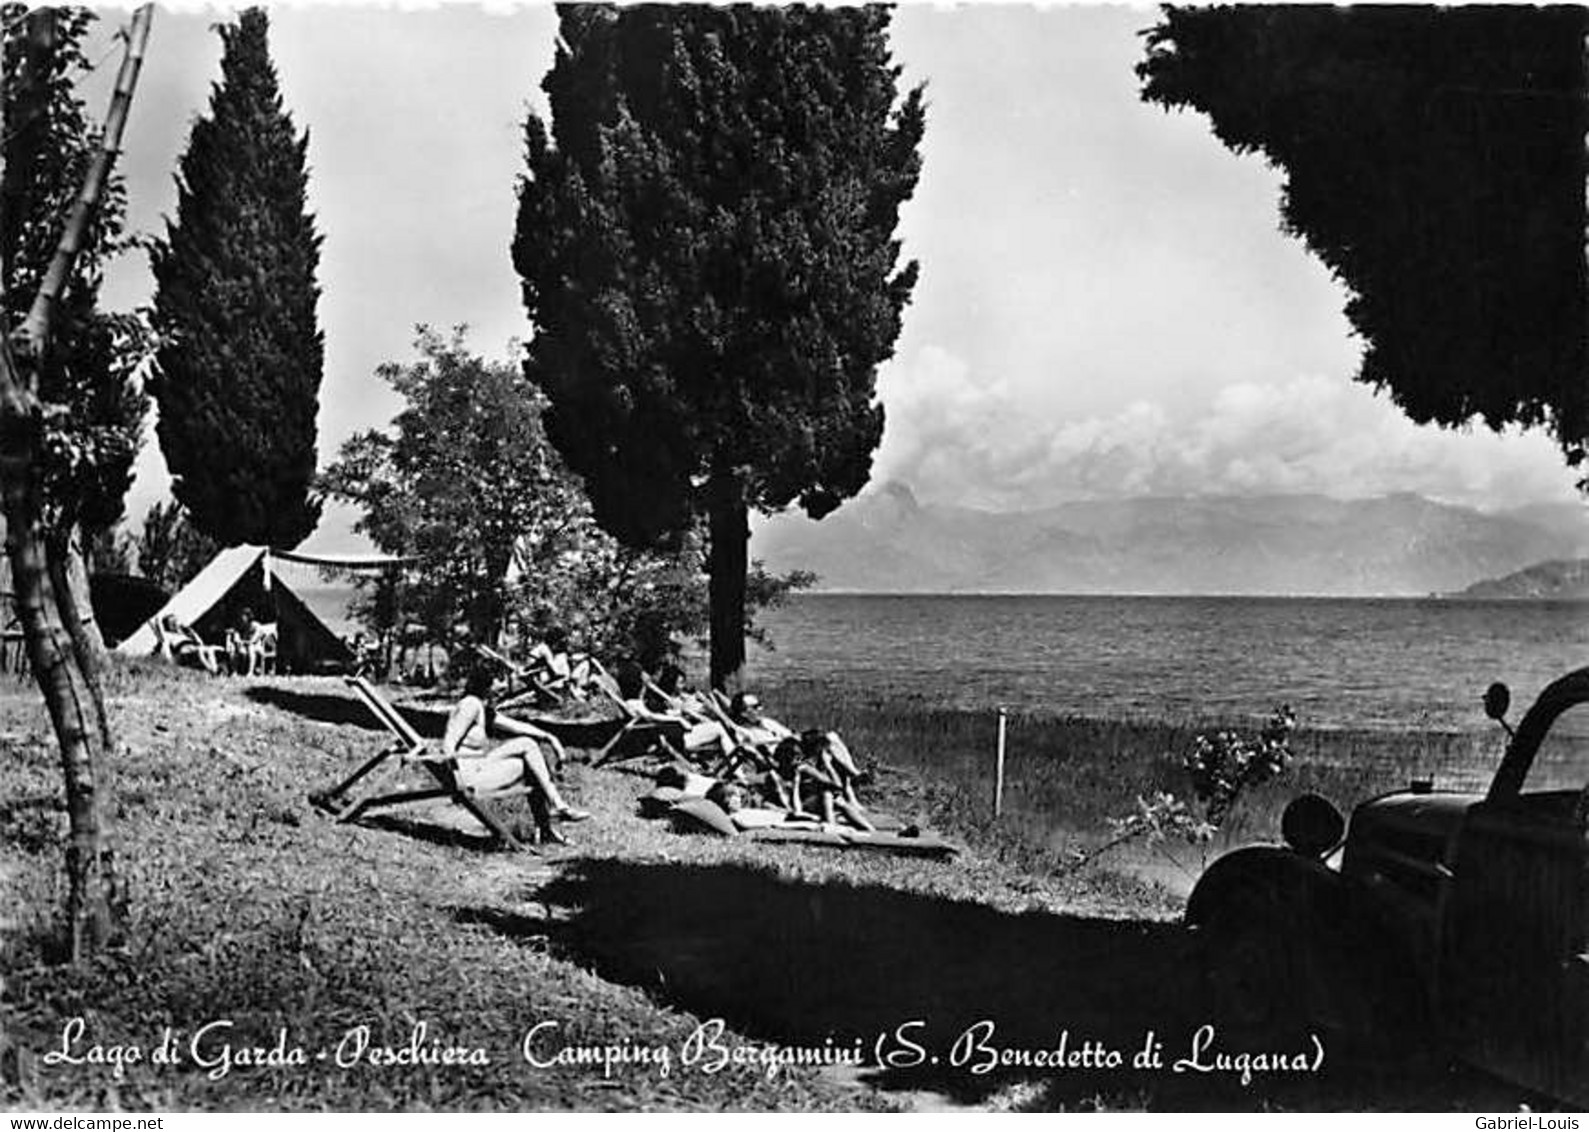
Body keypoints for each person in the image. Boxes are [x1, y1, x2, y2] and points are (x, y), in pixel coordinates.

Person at [437, 665, 590, 844]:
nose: (504, 685)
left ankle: (552, 816)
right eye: (500, 680)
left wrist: (549, 737)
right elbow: (448, 743)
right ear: (486, 682)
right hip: (467, 777)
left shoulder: (481, 706)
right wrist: (457, 780)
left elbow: (516, 726)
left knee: (529, 750)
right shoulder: (470, 705)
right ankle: (553, 813)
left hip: (478, 768)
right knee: (529, 756)